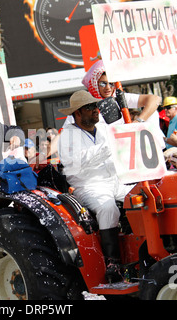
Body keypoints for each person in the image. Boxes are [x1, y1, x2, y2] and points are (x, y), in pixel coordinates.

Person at [58, 90, 133, 283]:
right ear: (77, 113)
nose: (96, 111)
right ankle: (112, 263)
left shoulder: (104, 129)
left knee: (140, 197)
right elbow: (77, 162)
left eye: (96, 106)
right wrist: (109, 147)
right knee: (108, 208)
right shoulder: (67, 135)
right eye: (90, 107)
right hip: (88, 186)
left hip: (115, 181)